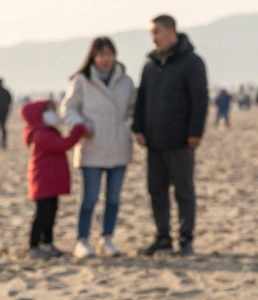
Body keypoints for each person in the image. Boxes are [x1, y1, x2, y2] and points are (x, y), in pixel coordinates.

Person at [133, 15, 207, 257]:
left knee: (184, 191)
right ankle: (162, 237)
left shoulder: (192, 62)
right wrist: (139, 128)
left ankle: (186, 239)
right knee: (156, 191)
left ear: (172, 31)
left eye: (157, 32)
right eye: (152, 34)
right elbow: (141, 100)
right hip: (154, 142)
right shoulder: (150, 65)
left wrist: (195, 132)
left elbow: (200, 100)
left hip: (181, 141)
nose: (154, 38)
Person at [61, 37, 136, 259]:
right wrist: (81, 124)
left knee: (113, 197)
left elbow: (133, 109)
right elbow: (68, 108)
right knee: (90, 197)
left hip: (118, 146)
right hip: (92, 146)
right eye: (101, 54)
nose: (105, 59)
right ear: (93, 57)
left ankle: (107, 237)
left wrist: (128, 127)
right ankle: (82, 239)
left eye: (109, 54)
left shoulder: (126, 82)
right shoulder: (82, 81)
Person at [22, 99, 88, 260]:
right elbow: (63, 144)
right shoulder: (40, 135)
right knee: (42, 215)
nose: (53, 114)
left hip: (50, 182)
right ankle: (33, 246)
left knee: (51, 213)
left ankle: (47, 243)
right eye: (48, 111)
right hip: (43, 182)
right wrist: (78, 131)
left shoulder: (48, 131)